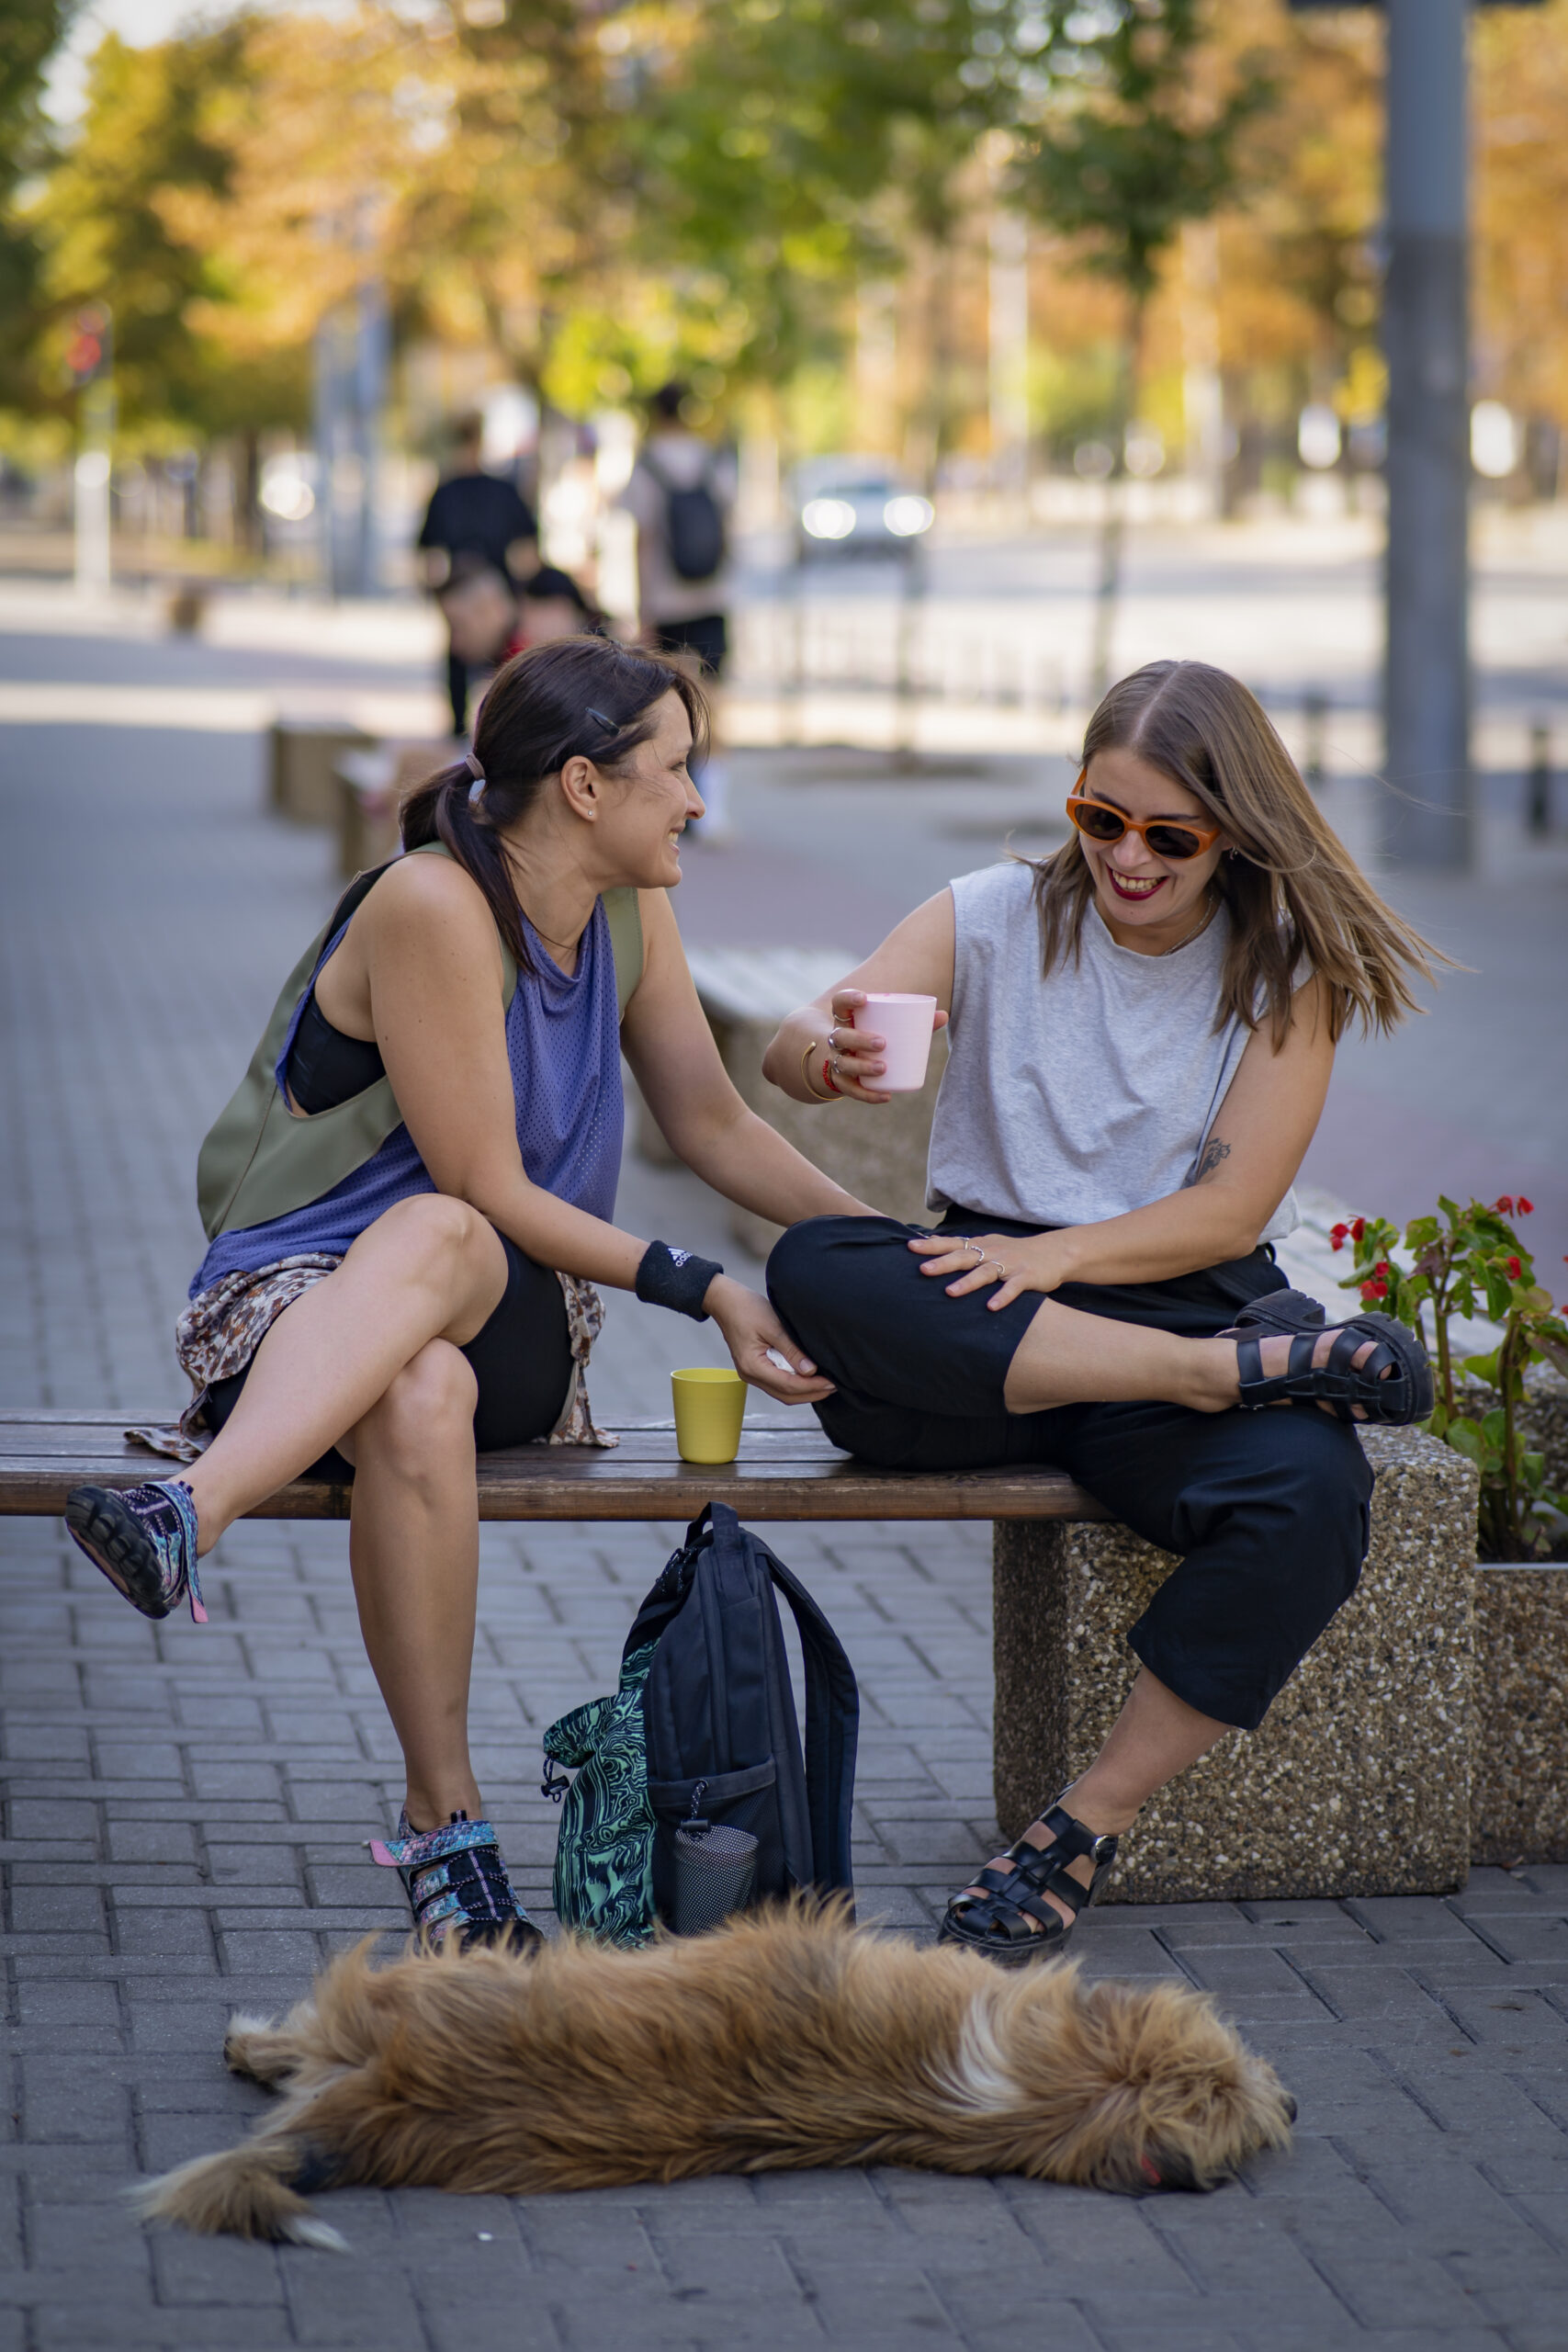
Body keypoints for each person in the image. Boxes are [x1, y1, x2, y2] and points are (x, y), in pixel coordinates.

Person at [63, 639, 869, 1949]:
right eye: (675, 769)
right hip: (282, 1321)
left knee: (439, 1276)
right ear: (583, 787)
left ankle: (185, 1514)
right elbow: (486, 1186)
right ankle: (450, 1842)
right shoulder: (433, 906)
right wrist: (707, 1286)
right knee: (421, 1365)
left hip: (504, 1308)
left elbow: (714, 1129)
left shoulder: (627, 906)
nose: (697, 801)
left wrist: (885, 1245)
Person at [761, 658, 1442, 1967]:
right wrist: (822, 1056)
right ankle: (1221, 1374)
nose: (1127, 858)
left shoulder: (1280, 965)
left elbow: (1232, 1212)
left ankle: (1076, 1828)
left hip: (1170, 1288)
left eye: (1168, 837)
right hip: (1039, 1330)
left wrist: (1062, 1259)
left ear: (1229, 833)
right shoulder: (986, 912)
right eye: (1099, 818)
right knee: (816, 1269)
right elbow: (807, 1030)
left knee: (1308, 1498)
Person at [620, 381, 736, 842]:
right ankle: (716, 807)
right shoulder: (712, 459)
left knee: (662, 701)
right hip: (712, 595)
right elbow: (730, 523)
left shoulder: (647, 464)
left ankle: (667, 802)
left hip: (665, 600)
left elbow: (640, 536)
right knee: (717, 699)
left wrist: (642, 606)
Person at [418, 413, 539, 737]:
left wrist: (439, 597)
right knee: (500, 663)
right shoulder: (501, 490)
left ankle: (466, 731)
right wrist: (519, 592)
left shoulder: (446, 493)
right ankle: (494, 731)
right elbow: (527, 549)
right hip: (491, 592)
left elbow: (430, 555)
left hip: (464, 591)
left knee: (466, 662)